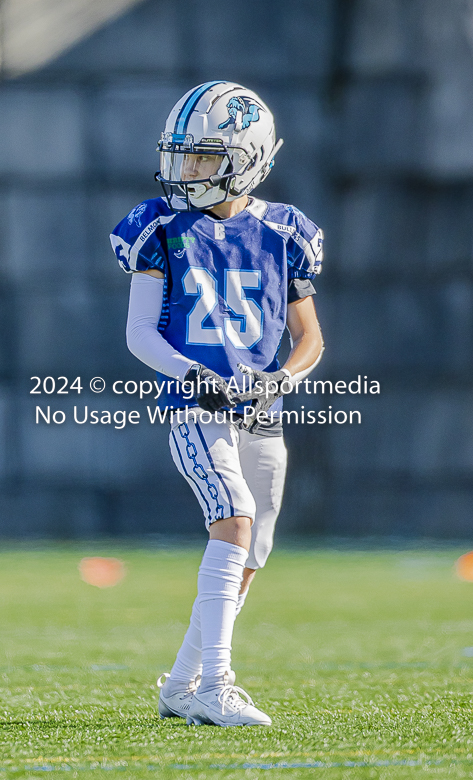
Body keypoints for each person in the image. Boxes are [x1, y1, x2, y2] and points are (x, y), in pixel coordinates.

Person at [110, 81, 324, 727]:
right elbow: (139, 332)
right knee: (231, 520)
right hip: (196, 402)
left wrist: (279, 379)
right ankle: (217, 688)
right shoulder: (158, 226)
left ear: (247, 155)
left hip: (259, 408)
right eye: (183, 156)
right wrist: (192, 374)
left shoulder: (286, 230)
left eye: (203, 157)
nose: (188, 170)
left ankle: (182, 682)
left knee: (253, 549)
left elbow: (309, 336)